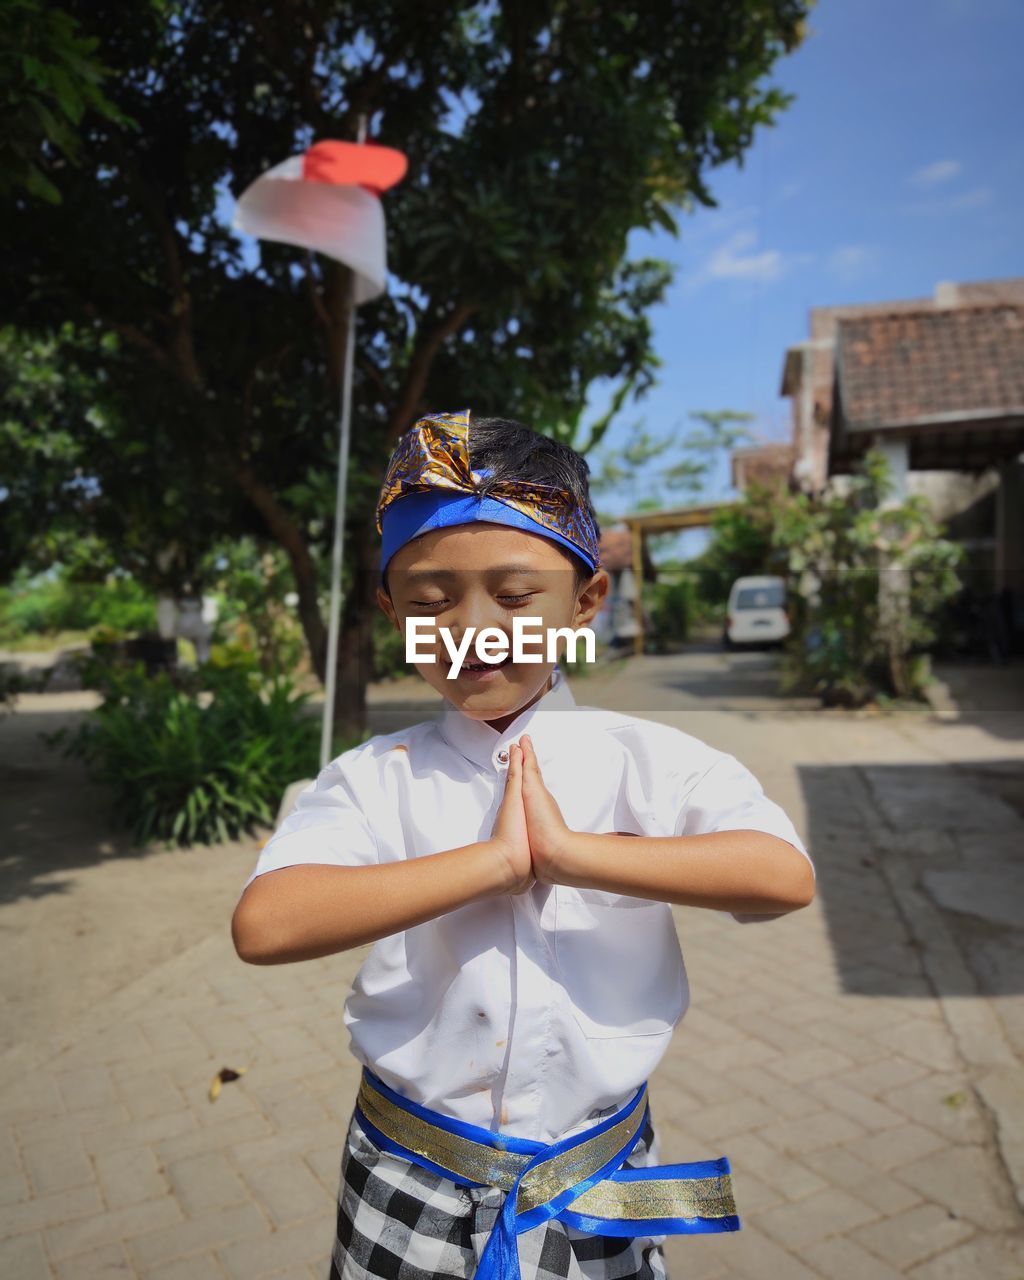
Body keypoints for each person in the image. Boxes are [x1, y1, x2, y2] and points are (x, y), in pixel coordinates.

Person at [231, 409, 816, 1280]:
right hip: (409, 1179)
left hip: (603, 1171)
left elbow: (781, 876)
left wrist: (576, 854)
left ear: (585, 601)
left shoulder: (647, 761)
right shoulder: (371, 777)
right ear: (393, 612)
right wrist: (496, 865)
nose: (471, 626)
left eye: (513, 596)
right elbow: (265, 925)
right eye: (429, 601)